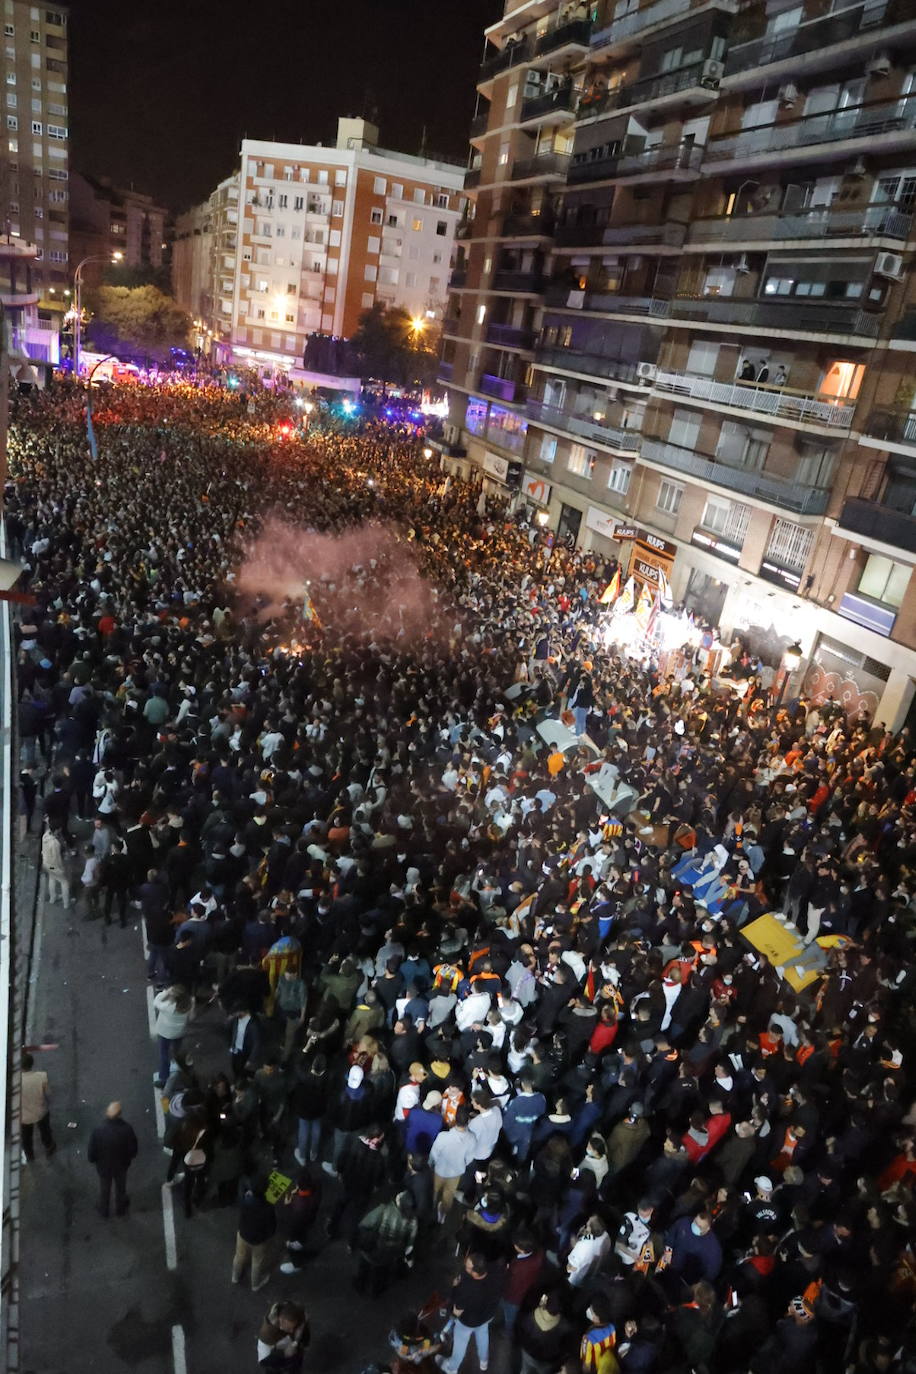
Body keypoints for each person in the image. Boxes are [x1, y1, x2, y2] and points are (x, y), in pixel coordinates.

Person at [438, 1251, 503, 1374]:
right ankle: (483, 1362)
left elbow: (457, 1311)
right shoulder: (495, 1272)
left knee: (460, 1346)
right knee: (483, 1336)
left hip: (468, 1322)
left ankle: (452, 1368)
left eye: (467, 1267)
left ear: (475, 1272)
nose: (464, 1267)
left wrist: (455, 1287)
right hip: (487, 1316)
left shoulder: (467, 1289)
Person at [354, 1190, 418, 1296]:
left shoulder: (384, 1209)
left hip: (374, 1249)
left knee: (365, 1267)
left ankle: (360, 1285)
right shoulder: (413, 1220)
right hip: (391, 1253)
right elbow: (410, 1244)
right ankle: (376, 1291)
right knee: (381, 1273)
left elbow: (365, 1224)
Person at [87, 1101, 138, 1218]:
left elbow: (91, 1152)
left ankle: (104, 1210)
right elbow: (133, 1150)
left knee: (105, 1188)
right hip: (121, 1166)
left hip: (104, 1167)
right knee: (121, 1188)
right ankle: (120, 1209)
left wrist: (94, 1160)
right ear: (120, 1114)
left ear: (106, 1113)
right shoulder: (127, 1129)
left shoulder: (98, 1130)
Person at [232, 1177, 277, 1291]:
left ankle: (235, 1277)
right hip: (258, 1240)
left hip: (243, 1234)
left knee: (239, 1256)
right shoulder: (268, 1208)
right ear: (266, 1190)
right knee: (257, 1262)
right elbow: (272, 1228)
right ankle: (255, 1284)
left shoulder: (244, 1201)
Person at [153, 985, 192, 1088]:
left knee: (164, 1055)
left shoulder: (168, 1007)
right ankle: (185, 1075)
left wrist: (165, 992)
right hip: (180, 1032)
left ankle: (164, 1078)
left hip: (166, 1033)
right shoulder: (189, 1005)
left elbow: (156, 1001)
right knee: (178, 1054)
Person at [20, 1052, 55, 1161]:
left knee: (26, 1136)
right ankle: (49, 1147)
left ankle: (30, 1155)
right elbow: (49, 1094)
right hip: (41, 1111)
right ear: (32, 1063)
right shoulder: (41, 1076)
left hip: (24, 1115)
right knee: (45, 1130)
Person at [257, 1300, 309, 1372]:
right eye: (289, 1328)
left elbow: (304, 1326)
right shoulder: (266, 1336)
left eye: (294, 1327)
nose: (291, 1331)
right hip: (277, 1365)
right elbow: (264, 1362)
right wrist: (284, 1353)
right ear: (281, 1321)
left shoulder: (296, 1316)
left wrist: (301, 1342)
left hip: (295, 1359)